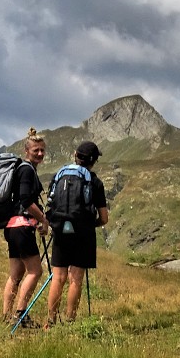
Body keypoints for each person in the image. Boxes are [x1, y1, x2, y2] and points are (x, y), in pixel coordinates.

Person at [45, 140, 109, 328]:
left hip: (60, 231)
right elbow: (104, 218)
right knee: (75, 279)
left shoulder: (60, 175)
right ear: (93, 161)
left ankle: (50, 322)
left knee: (58, 277)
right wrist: (91, 224)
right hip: (83, 233)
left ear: (75, 155)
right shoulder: (95, 182)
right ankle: (71, 322)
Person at [1, 129, 50, 326]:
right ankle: (21, 315)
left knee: (15, 274)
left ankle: (6, 316)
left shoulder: (20, 169)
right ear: (26, 150)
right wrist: (43, 220)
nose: (40, 153)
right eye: (36, 150)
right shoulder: (27, 170)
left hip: (11, 227)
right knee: (35, 271)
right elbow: (27, 200)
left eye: (42, 150)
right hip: (22, 226)